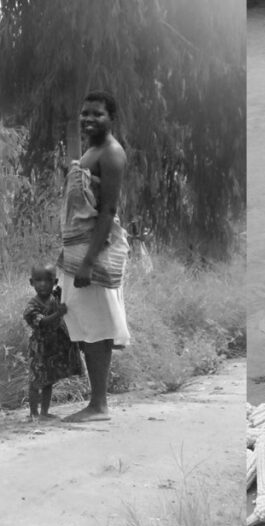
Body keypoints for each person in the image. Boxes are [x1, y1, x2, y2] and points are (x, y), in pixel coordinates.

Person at [57, 91, 131, 422]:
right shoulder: (91, 150)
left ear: (110, 118)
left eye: (97, 114)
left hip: (94, 250)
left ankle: (99, 404)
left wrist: (88, 261)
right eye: (85, 113)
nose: (88, 119)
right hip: (79, 247)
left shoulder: (112, 153)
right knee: (85, 321)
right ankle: (95, 401)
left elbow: (108, 210)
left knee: (98, 325)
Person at [22, 264, 82, 421]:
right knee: (35, 381)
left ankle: (44, 412)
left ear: (54, 282)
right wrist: (58, 314)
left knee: (49, 380)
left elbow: (69, 295)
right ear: (31, 282)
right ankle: (33, 413)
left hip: (53, 348)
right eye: (38, 280)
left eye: (48, 281)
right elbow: (42, 323)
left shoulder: (55, 297)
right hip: (39, 349)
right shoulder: (32, 306)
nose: (43, 284)